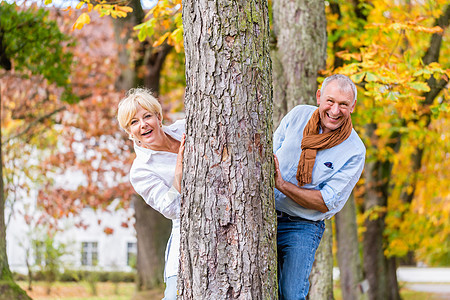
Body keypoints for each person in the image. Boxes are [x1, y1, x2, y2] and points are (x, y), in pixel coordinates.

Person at [273, 74, 366, 299]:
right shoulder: (297, 116)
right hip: (265, 216)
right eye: (330, 101)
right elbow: (271, 154)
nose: (335, 111)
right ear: (319, 97)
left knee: (292, 294)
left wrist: (282, 186)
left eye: (343, 104)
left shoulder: (354, 151)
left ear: (352, 106)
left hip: (303, 227)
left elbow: (325, 201)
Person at [117, 88, 185, 300]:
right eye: (134, 122)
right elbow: (171, 209)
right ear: (130, 132)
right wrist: (180, 169)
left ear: (159, 117)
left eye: (147, 116)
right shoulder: (140, 171)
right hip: (186, 238)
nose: (143, 124)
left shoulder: (185, 129)